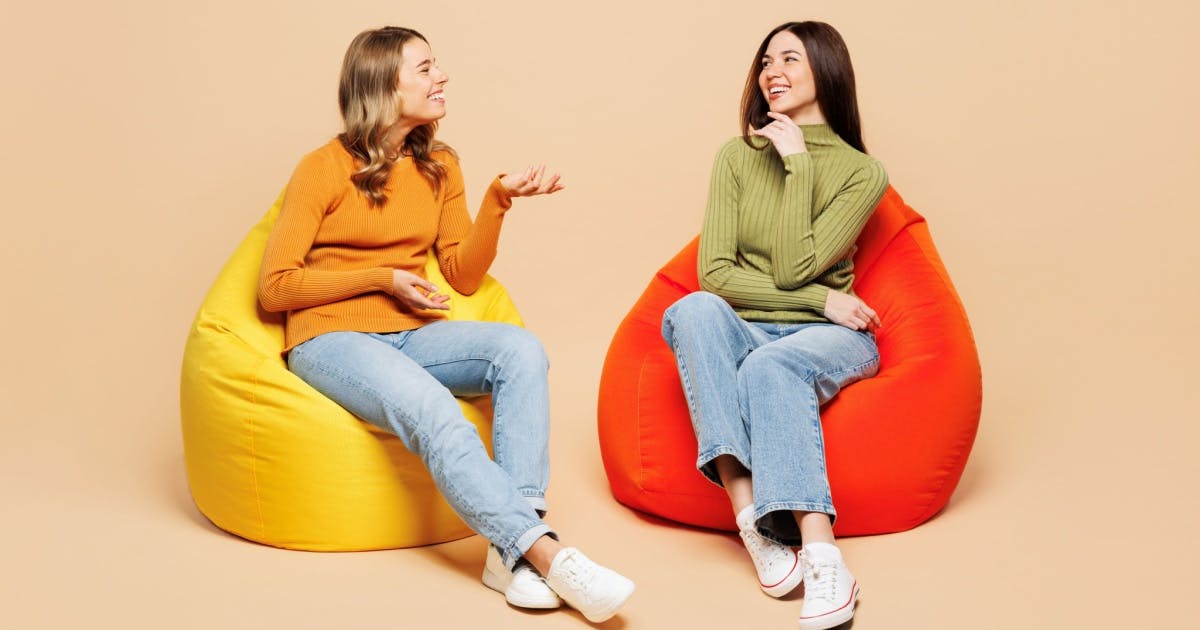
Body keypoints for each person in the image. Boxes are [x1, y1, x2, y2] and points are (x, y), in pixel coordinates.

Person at [258, 26, 633, 623]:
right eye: (426, 68)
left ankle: (510, 554)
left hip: (409, 334)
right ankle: (547, 555)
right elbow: (275, 286)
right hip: (330, 338)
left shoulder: (440, 165)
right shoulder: (322, 168)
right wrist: (381, 278)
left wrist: (498, 200)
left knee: (520, 351)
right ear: (384, 84)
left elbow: (460, 273)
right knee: (434, 409)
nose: (443, 77)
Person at [661, 21, 887, 630]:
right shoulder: (736, 156)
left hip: (835, 339)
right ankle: (753, 525)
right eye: (765, 61)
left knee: (771, 364)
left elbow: (792, 268)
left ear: (825, 71)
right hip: (763, 324)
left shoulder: (862, 173)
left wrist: (798, 165)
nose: (771, 72)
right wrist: (824, 298)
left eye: (789, 58)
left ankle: (821, 555)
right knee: (689, 310)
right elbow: (715, 274)